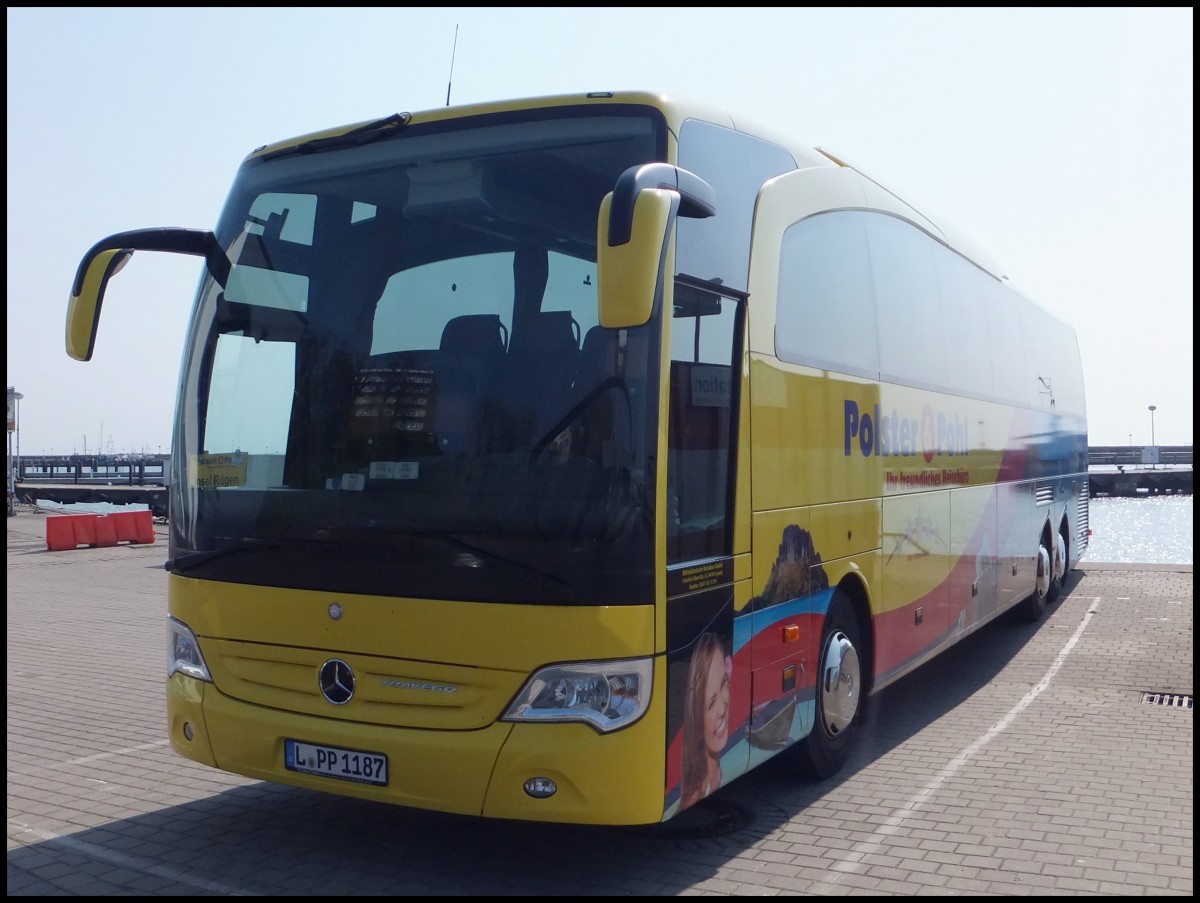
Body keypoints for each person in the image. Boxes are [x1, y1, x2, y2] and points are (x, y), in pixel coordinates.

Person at [679, 631, 731, 810]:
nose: (722, 709)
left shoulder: (720, 772)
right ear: (696, 718)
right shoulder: (692, 798)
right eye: (710, 704)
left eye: (724, 684)